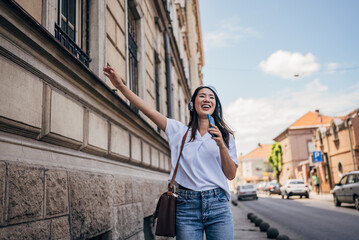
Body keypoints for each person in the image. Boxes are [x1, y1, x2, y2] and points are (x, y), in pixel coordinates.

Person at [103, 66, 238, 240]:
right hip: (186, 206)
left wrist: (221, 145)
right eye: (202, 96)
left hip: (218, 205)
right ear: (193, 104)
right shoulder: (179, 131)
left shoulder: (226, 137)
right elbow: (149, 111)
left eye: (211, 97)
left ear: (215, 106)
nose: (207, 99)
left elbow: (231, 174)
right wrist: (121, 87)